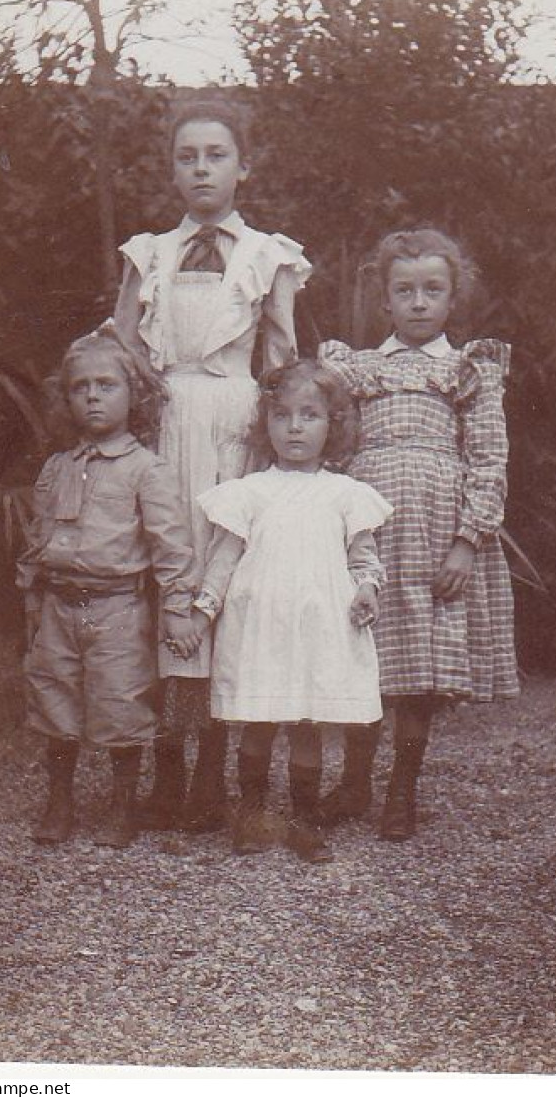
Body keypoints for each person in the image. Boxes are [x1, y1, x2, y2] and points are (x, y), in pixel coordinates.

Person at [113, 97, 311, 835]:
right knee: (166, 574)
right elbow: (125, 343)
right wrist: (146, 406)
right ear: (173, 170)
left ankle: (212, 776)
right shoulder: (148, 253)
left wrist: (269, 440)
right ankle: (166, 771)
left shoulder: (269, 254)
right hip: (166, 424)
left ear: (242, 166)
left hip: (234, 422)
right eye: (187, 156)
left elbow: (283, 354)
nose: (201, 168)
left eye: (216, 154)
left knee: (223, 580)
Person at [319, 228, 519, 841]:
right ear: (385, 300)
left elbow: (489, 459)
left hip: (434, 534)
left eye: (433, 290)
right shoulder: (356, 369)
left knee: (420, 663)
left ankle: (402, 787)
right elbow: (331, 446)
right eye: (404, 290)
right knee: (363, 652)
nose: (418, 303)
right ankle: (355, 780)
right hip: (368, 527)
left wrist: (468, 539)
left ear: (452, 298)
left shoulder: (467, 371)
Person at [169, 360, 392, 863]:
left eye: (310, 415)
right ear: (264, 424)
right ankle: (251, 813)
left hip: (316, 629)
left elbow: (364, 558)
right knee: (257, 719)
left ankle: (304, 819)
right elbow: (222, 561)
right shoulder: (250, 492)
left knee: (307, 721)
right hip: (260, 630)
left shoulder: (345, 494)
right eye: (282, 415)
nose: (294, 427)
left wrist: (367, 590)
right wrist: (202, 614)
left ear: (332, 425)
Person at [17, 326, 195, 850]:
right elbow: (37, 538)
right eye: (80, 387)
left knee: (121, 705)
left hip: (119, 608)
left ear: (134, 394)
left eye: (106, 385)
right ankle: (60, 800)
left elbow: (172, 547)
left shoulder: (147, 470)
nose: (92, 395)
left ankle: (122, 805)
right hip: (57, 606)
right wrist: (30, 598)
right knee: (54, 702)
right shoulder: (57, 466)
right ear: (67, 397)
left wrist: (178, 609)